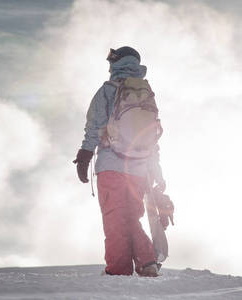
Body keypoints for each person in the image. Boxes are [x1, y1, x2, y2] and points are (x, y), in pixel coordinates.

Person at [73, 46, 166, 277]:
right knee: (131, 217)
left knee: (115, 218)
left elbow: (94, 126)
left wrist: (85, 154)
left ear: (115, 64)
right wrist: (156, 173)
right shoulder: (147, 95)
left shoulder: (108, 90)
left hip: (111, 166)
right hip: (139, 169)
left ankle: (118, 271)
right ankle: (147, 262)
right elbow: (152, 138)